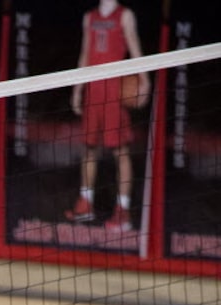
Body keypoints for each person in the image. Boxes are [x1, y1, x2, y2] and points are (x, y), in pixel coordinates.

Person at [64, 1, 150, 232]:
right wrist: (77, 88)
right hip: (93, 89)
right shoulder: (89, 17)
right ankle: (86, 204)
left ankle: (123, 212)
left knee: (120, 150)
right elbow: (84, 53)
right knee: (89, 148)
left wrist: (145, 81)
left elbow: (135, 51)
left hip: (115, 91)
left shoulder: (125, 15)